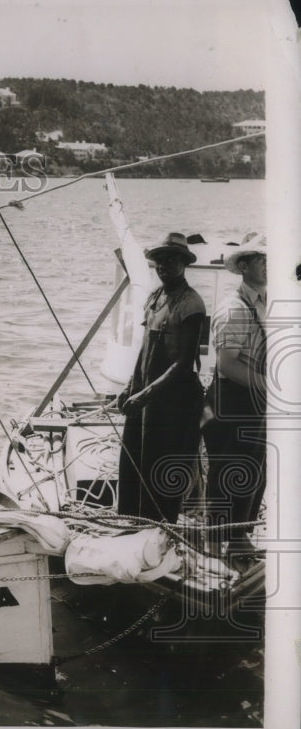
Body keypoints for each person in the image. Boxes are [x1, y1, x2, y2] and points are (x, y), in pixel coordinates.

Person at [116, 232, 206, 523]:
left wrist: (144, 395)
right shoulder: (155, 297)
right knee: (135, 460)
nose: (163, 265)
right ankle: (132, 523)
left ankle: (160, 528)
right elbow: (145, 346)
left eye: (171, 259)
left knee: (163, 466)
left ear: (183, 263)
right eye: (159, 260)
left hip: (173, 399)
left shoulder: (191, 303)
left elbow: (183, 363)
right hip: (148, 392)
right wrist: (131, 386)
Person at [203, 233, 266, 554]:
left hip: (257, 401)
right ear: (243, 266)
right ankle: (214, 547)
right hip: (231, 400)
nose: (270, 267)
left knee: (255, 472)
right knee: (227, 472)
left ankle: (240, 539)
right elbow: (227, 365)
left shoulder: (267, 302)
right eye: (262, 260)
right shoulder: (233, 309)